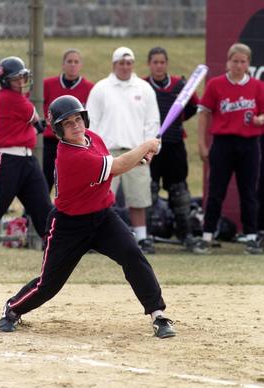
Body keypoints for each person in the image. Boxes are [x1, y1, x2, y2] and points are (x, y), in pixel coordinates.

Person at [0, 95, 175, 339]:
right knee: (48, 285)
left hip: (103, 218)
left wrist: (139, 159)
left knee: (132, 254)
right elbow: (117, 165)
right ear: (59, 130)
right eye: (68, 123)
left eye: (78, 118)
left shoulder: (94, 140)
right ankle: (13, 309)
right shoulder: (70, 156)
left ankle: (158, 314)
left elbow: (115, 164)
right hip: (69, 226)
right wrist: (145, 146)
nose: (76, 125)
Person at [86, 47, 160, 254]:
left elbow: (152, 122)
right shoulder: (101, 88)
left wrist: (150, 148)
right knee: (100, 199)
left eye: (129, 63)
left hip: (137, 152)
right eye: (121, 63)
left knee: (139, 199)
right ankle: (95, 238)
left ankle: (143, 238)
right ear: (114, 64)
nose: (125, 67)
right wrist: (93, 151)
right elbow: (92, 122)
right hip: (106, 154)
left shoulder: (144, 89)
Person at [197, 43, 264, 254]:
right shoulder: (216, 85)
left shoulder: (257, 86)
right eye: (235, 61)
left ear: (248, 64)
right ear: (228, 62)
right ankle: (207, 236)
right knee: (216, 192)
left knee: (248, 192)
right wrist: (201, 143)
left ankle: (251, 237)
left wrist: (259, 119)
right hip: (223, 143)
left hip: (249, 144)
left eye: (243, 61)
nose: (238, 65)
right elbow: (204, 113)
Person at [144, 46, 199, 251]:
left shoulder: (180, 85)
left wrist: (176, 123)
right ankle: (146, 236)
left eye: (162, 62)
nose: (159, 66)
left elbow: (193, 106)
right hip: (149, 146)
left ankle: (186, 236)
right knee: (149, 191)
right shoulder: (142, 85)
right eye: (155, 62)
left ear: (167, 63)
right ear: (149, 64)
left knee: (180, 192)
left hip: (175, 145)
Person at [0, 56, 52, 240]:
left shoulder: (14, 99)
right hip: (8, 159)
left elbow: (32, 130)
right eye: (15, 79)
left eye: (22, 77)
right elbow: (36, 121)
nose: (21, 82)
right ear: (5, 81)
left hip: (27, 160)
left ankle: (58, 248)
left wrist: (32, 130)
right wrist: (34, 129)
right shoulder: (10, 98)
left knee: (44, 210)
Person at [43, 49, 94, 192]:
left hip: (76, 142)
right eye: (69, 61)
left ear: (81, 65)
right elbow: (32, 102)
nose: (73, 65)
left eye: (76, 62)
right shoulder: (47, 84)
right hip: (51, 141)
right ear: (63, 65)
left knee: (73, 183)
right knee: (44, 181)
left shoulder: (89, 88)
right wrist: (45, 120)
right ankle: (32, 213)